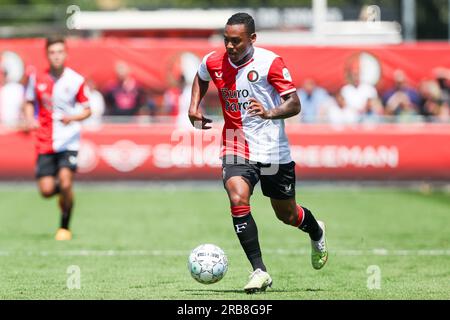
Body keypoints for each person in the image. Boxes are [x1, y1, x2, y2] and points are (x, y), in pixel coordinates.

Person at [188, 13, 328, 293]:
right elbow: (201, 75)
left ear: (252, 38)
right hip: (235, 141)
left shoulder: (270, 63)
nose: (230, 46)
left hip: (273, 148)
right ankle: (259, 270)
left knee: (287, 215)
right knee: (237, 196)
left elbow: (294, 103)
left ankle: (316, 230)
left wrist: (269, 112)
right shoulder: (214, 61)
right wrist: (194, 107)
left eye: (236, 41)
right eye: (226, 40)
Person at [23, 37, 91, 241]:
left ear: (66, 54)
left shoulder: (76, 80)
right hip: (44, 140)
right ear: (47, 55)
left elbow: (87, 110)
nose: (56, 56)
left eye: (60, 51)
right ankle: (65, 192)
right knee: (45, 191)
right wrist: (29, 119)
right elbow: (28, 101)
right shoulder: (37, 78)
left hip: (69, 141)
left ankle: (64, 227)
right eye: (52, 52)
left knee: (66, 182)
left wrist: (72, 117)